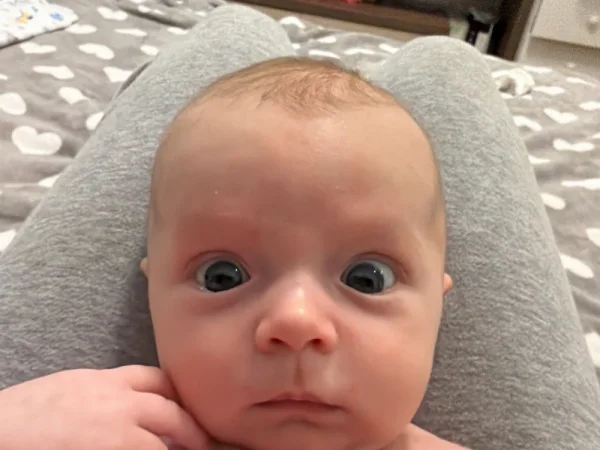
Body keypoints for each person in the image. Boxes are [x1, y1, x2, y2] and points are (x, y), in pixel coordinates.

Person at [0, 4, 599, 450]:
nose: (295, 322)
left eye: (367, 278)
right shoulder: (100, 430)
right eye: (221, 276)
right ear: (150, 296)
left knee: (444, 61)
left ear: (439, 308)